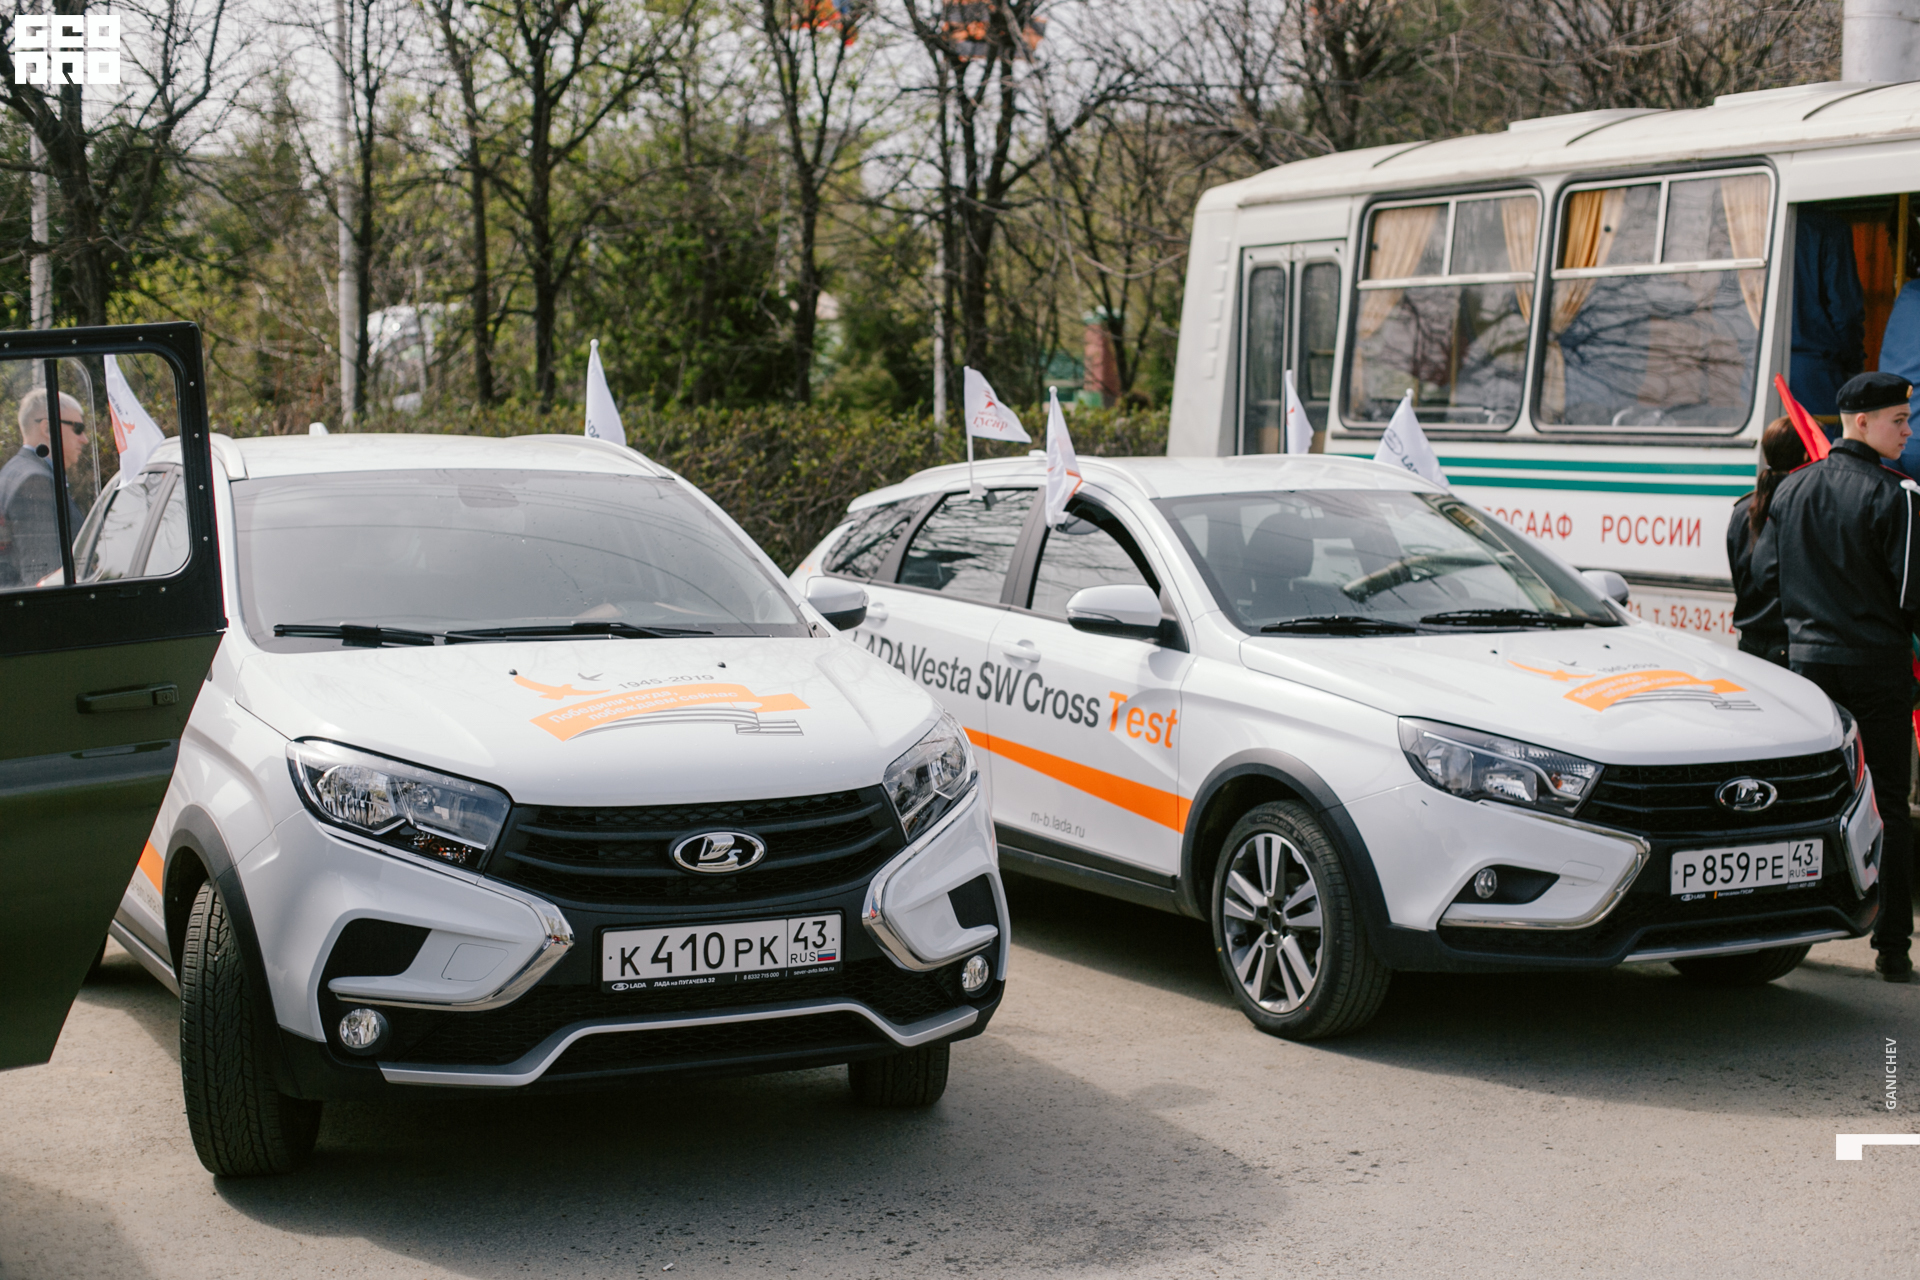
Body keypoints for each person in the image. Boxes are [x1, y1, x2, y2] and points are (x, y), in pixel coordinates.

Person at [1753, 369, 1917, 982]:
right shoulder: (1897, 494)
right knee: (1888, 803)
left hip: (1808, 673)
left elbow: (1766, 584)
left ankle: (1799, 931)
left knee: (1809, 803)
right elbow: (1912, 597)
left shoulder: (1792, 490)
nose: (1907, 431)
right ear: (1863, 423)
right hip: (1877, 671)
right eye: (1899, 420)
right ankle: (1893, 948)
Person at [1728, 417, 1809, 667]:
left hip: (1749, 645)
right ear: (1806, 455)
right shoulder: (1803, 509)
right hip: (1788, 646)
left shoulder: (1742, 509)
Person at [0, 388, 88, 588]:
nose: (84, 439)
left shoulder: (14, 470)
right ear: (47, 428)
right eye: (78, 428)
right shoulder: (35, 481)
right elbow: (43, 575)